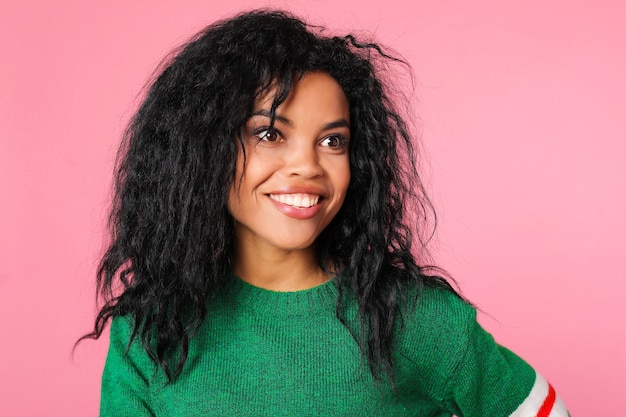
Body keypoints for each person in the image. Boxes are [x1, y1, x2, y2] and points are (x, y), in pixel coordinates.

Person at [85, 9, 570, 416]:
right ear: (203, 149)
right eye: (270, 134)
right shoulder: (151, 329)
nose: (307, 166)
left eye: (332, 141)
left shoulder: (413, 318)